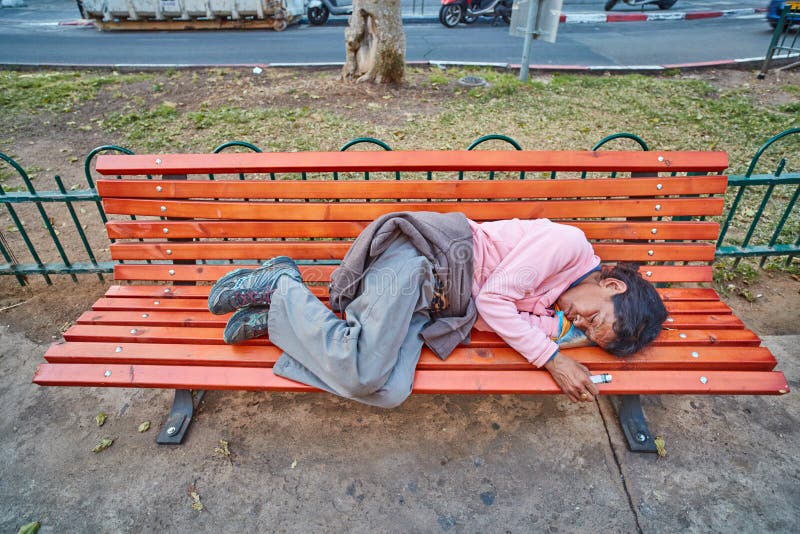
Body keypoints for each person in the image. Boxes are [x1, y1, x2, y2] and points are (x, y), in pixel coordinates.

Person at [207, 212, 668, 408]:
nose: (580, 323)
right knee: (364, 374)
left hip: (433, 305)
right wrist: (552, 356)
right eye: (594, 317)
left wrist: (562, 333)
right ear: (611, 284)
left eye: (589, 334)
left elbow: (494, 316)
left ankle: (277, 320)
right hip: (423, 261)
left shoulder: (551, 306)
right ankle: (283, 286)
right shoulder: (567, 247)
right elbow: (491, 303)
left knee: (389, 392)